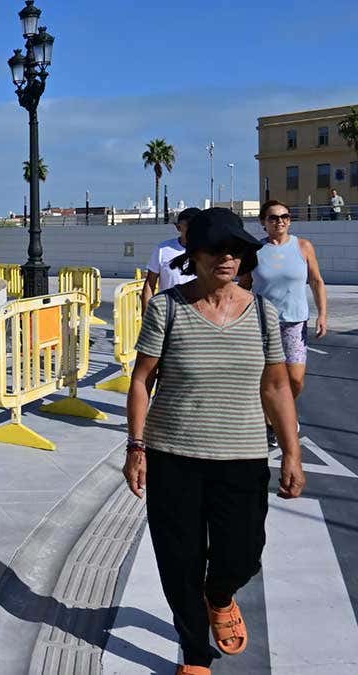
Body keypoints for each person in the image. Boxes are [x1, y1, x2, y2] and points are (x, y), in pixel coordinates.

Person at [124, 207, 305, 675]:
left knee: (241, 553)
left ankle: (220, 595)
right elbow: (142, 380)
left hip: (242, 457)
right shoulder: (167, 307)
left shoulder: (264, 313)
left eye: (236, 249)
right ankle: (195, 655)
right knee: (179, 562)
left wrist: (292, 452)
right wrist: (136, 446)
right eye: (215, 248)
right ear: (194, 254)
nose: (227, 257)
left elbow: (278, 386)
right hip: (172, 458)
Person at [240, 199, 327, 447]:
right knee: (266, 377)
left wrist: (322, 314)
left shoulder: (303, 246)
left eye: (285, 217)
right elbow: (243, 286)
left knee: (296, 378)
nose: (281, 221)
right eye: (274, 218)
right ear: (263, 222)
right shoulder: (254, 250)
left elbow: (317, 281)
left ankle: (283, 409)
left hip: (295, 322)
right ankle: (271, 421)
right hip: (261, 324)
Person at [142, 207, 201, 310]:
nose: (193, 229)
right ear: (178, 227)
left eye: (197, 226)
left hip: (200, 316)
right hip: (169, 313)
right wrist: (147, 315)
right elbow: (150, 284)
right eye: (188, 225)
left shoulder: (209, 251)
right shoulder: (163, 249)